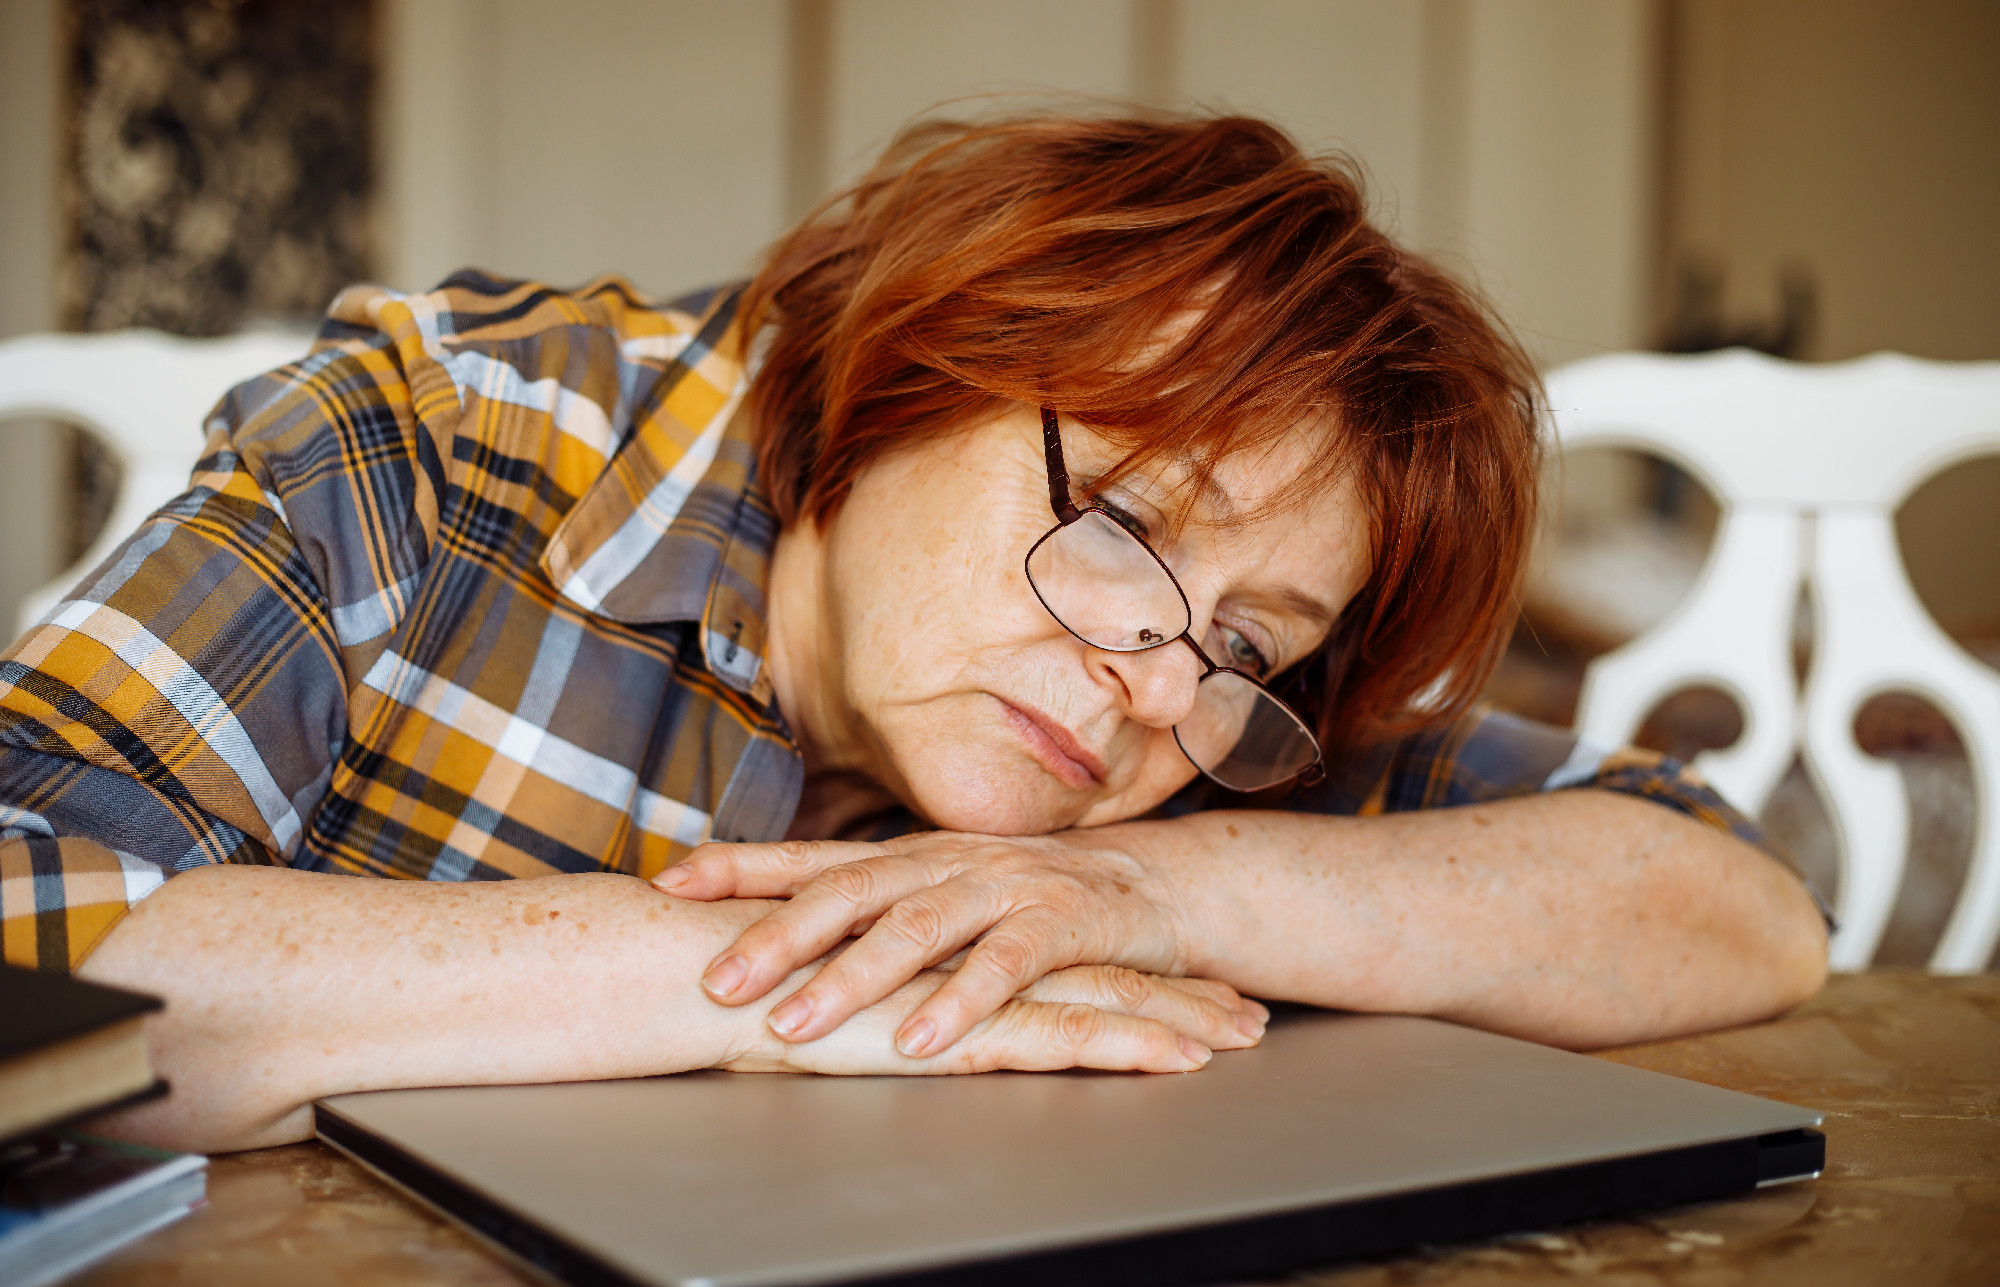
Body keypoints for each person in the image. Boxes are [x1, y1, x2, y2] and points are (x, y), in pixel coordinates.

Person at [0, 114, 1828, 1154]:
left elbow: (1732, 896)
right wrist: (801, 990)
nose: (1152, 678)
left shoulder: (1189, 734)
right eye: (1122, 517)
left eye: (1255, 648)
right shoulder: (443, 450)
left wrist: (1163, 896)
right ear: (904, 366)